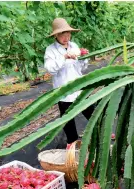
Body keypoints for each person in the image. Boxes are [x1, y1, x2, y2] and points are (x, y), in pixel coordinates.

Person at [44, 18, 94, 149]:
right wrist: (64, 57)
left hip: (80, 87)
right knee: (68, 120)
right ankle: (72, 143)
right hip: (64, 91)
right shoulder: (51, 50)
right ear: (56, 35)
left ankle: (100, 132)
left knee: (92, 112)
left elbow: (81, 68)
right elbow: (50, 69)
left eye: (68, 34)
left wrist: (84, 57)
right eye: (62, 34)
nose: (66, 37)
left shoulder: (74, 46)